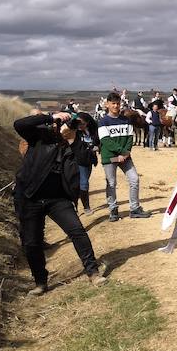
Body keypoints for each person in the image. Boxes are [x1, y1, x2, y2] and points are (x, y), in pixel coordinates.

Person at [13, 111, 108, 295]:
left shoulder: (75, 142)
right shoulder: (39, 137)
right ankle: (40, 282)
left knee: (77, 231)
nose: (65, 127)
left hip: (58, 199)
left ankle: (93, 272)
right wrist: (51, 116)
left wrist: (73, 140)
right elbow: (19, 124)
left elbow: (88, 160)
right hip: (30, 196)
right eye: (61, 124)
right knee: (32, 243)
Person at [98, 92, 150, 221]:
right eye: (113, 103)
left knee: (134, 179)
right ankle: (113, 210)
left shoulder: (126, 120)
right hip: (110, 157)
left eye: (117, 103)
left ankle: (134, 209)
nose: (116, 106)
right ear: (108, 104)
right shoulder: (103, 121)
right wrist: (121, 152)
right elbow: (106, 141)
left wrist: (125, 152)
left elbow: (130, 137)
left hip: (125, 156)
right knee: (111, 183)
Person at [74, 112, 99, 215]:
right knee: (83, 183)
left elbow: (97, 142)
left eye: (82, 123)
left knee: (83, 183)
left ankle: (80, 205)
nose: (80, 125)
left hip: (88, 161)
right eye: (78, 123)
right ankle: (85, 207)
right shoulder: (74, 132)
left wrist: (97, 147)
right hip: (77, 160)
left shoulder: (92, 131)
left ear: (88, 122)